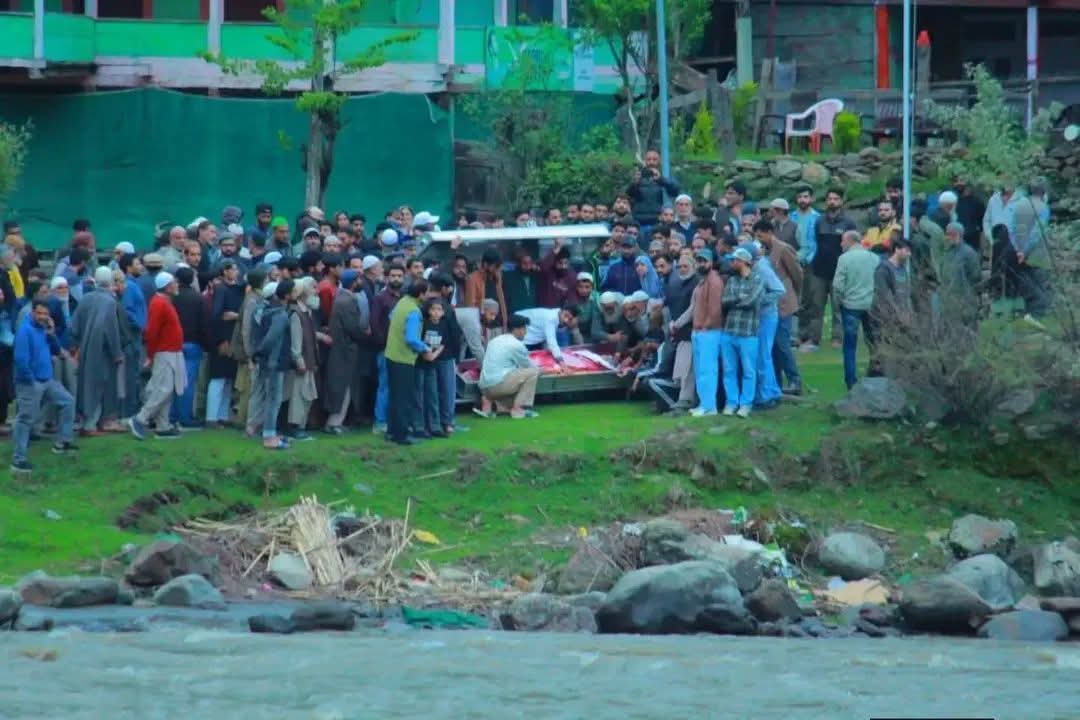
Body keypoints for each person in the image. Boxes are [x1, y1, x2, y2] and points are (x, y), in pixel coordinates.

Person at [11, 300, 78, 471]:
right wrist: (31, 380)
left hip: (46, 380)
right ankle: (18, 460)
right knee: (26, 419)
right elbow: (20, 360)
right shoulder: (24, 331)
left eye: (45, 314)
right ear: (32, 312)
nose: (42, 317)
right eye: (39, 313)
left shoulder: (43, 329)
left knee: (68, 402)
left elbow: (56, 350)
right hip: (30, 382)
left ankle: (62, 442)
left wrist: (51, 333)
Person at [129, 272, 186, 440]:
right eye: (174, 283)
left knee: (165, 389)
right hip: (165, 352)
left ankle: (163, 425)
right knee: (164, 389)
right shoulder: (159, 303)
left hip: (170, 351)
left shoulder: (162, 302)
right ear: (168, 286)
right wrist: (151, 354)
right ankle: (140, 418)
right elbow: (151, 332)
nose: (177, 285)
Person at [69, 266, 124, 435]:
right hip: (102, 352)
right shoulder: (110, 302)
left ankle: (88, 422)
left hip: (85, 350)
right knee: (101, 387)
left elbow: (75, 326)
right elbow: (111, 330)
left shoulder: (86, 299)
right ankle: (91, 425)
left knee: (87, 385)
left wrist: (76, 346)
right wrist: (117, 353)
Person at [800, 188, 855, 352]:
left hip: (840, 270)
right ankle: (813, 339)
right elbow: (817, 241)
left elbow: (851, 247)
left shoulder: (848, 223)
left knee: (838, 307)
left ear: (841, 201)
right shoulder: (819, 221)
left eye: (836, 199)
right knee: (815, 306)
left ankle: (837, 338)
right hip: (819, 270)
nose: (832, 202)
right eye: (830, 199)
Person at [384, 279, 435, 445]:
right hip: (403, 358)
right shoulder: (414, 311)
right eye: (427, 292)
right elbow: (412, 339)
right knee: (404, 398)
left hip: (391, 354)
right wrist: (425, 348)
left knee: (395, 396)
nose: (429, 295)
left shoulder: (402, 302)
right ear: (421, 294)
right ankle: (402, 435)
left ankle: (392, 432)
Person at [756, 221, 803, 395]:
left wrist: (794, 294)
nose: (759, 239)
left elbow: (797, 273)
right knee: (773, 344)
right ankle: (776, 380)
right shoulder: (762, 251)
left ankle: (794, 380)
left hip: (784, 302)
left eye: (761, 235)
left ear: (769, 232)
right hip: (770, 304)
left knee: (782, 343)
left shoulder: (783, 249)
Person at [832, 230, 880, 389]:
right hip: (871, 305)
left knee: (850, 346)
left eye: (842, 241)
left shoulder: (844, 259)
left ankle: (851, 381)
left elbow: (838, 286)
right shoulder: (874, 258)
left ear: (850, 241)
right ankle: (877, 374)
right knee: (874, 343)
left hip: (851, 305)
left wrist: (837, 304)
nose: (840, 244)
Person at [720, 247, 764, 418]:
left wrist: (736, 300)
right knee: (729, 370)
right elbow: (724, 301)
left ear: (744, 261)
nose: (732, 263)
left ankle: (746, 404)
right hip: (729, 331)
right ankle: (732, 403)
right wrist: (740, 298)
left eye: (735, 260)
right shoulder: (732, 280)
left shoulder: (758, 279)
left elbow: (752, 301)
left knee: (748, 370)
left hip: (748, 332)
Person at [324, 270, 367, 434]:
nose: (360, 282)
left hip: (341, 348)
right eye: (358, 279)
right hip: (345, 350)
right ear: (353, 282)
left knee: (341, 385)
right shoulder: (348, 300)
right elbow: (352, 327)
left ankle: (335, 422)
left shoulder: (340, 298)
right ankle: (334, 423)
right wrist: (364, 336)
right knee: (343, 386)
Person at [253, 279, 294, 450]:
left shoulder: (269, 310)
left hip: (268, 361)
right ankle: (269, 436)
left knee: (270, 397)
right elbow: (271, 338)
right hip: (274, 362)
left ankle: (269, 431)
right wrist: (259, 353)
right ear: (287, 295)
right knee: (273, 399)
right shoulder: (280, 315)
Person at [477, 314, 541, 420]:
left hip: (484, 387)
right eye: (524, 328)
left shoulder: (495, 340)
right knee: (533, 373)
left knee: (515, 375)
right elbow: (528, 366)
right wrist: (543, 370)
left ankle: (491, 401)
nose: (526, 332)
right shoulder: (516, 344)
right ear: (517, 329)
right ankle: (518, 408)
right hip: (497, 386)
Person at [686, 249, 725, 417]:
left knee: (708, 370)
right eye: (699, 261)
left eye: (704, 261)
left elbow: (715, 309)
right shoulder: (702, 281)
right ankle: (704, 404)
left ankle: (709, 406)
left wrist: (705, 326)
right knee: (701, 370)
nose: (701, 264)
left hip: (709, 332)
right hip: (699, 331)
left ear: (711, 262)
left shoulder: (714, 281)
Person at [169, 267, 208, 429]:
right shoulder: (198, 298)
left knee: (171, 381)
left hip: (174, 343)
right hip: (193, 343)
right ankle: (185, 417)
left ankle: (171, 415)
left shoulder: (172, 298)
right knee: (188, 383)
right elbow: (204, 323)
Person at [206, 260, 243, 427]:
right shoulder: (221, 290)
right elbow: (216, 316)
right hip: (224, 339)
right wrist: (221, 340)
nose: (236, 272)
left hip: (232, 338)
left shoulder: (236, 289)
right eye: (233, 269)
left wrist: (234, 316)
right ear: (225, 271)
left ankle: (222, 415)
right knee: (218, 379)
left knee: (228, 380)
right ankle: (212, 416)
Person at [870, 238, 915, 376]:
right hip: (885, 317)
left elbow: (905, 294)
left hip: (902, 316)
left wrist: (908, 312)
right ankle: (876, 377)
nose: (909, 254)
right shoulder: (883, 269)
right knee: (883, 349)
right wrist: (896, 314)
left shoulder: (902, 269)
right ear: (896, 250)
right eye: (907, 251)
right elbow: (883, 296)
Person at [370, 264, 405, 434]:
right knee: (384, 386)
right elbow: (375, 324)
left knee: (400, 386)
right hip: (386, 349)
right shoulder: (380, 298)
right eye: (393, 275)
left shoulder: (405, 298)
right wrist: (384, 343)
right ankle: (380, 422)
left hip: (404, 349)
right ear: (386, 277)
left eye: (399, 275)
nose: (396, 279)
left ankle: (395, 420)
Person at [428, 273, 464, 434]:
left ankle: (432, 423)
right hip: (445, 354)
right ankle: (447, 423)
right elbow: (454, 334)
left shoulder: (424, 305)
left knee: (431, 391)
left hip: (425, 354)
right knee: (447, 390)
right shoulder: (446, 307)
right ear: (444, 288)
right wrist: (456, 356)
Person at [286, 277, 320, 440]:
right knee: (298, 396)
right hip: (302, 363)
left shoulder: (307, 312)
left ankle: (301, 426)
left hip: (309, 361)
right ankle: (295, 427)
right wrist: (299, 361)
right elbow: (295, 343)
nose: (316, 292)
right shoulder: (296, 314)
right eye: (313, 288)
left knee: (307, 395)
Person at [1011, 181, 1051, 318]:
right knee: (1039, 286)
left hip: (1018, 254)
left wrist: (1017, 250)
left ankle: (1024, 313)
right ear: (1044, 192)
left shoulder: (1018, 206)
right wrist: (1025, 251)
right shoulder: (1043, 208)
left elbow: (1011, 229)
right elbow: (1037, 233)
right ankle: (1037, 316)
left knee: (1025, 284)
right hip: (1036, 255)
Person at [415, 297, 450, 438]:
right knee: (419, 395)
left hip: (432, 363)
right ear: (428, 310)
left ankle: (435, 426)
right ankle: (419, 426)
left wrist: (434, 355)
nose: (436, 312)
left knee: (433, 395)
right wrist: (425, 352)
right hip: (419, 363)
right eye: (433, 309)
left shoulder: (443, 325)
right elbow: (417, 340)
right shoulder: (424, 324)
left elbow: (443, 343)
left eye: (439, 310)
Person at [940, 221, 982, 326]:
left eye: (952, 234)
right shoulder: (947, 252)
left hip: (965, 299)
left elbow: (976, 276)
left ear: (959, 235)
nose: (949, 237)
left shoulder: (969, 253)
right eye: (948, 234)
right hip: (949, 299)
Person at [465, 248, 508, 329]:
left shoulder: (497, 277)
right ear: (485, 264)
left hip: (499, 324)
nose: (498, 269)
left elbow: (502, 302)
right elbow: (470, 306)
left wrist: (505, 323)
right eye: (496, 266)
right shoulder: (472, 279)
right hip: (482, 326)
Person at [538, 240, 575, 309]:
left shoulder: (572, 275)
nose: (564, 266)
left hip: (563, 313)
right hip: (545, 312)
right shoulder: (547, 272)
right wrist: (557, 248)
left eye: (566, 263)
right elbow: (543, 267)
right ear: (554, 262)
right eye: (560, 263)